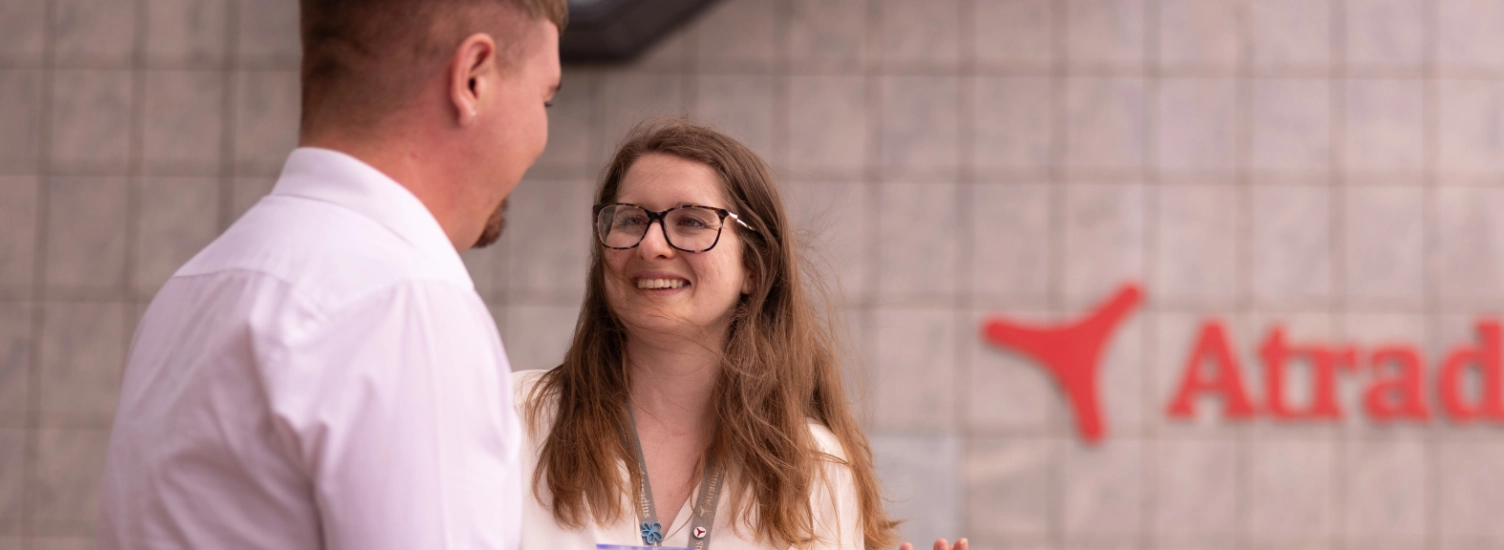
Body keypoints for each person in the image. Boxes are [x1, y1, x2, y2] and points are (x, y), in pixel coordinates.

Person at [96, 0, 565, 547]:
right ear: (473, 78)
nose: (541, 130)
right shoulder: (405, 306)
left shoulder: (194, 287)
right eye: (545, 97)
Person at [514, 120, 967, 550]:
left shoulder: (814, 468)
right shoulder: (514, 419)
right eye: (630, 219)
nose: (651, 244)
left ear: (754, 266)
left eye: (691, 221)